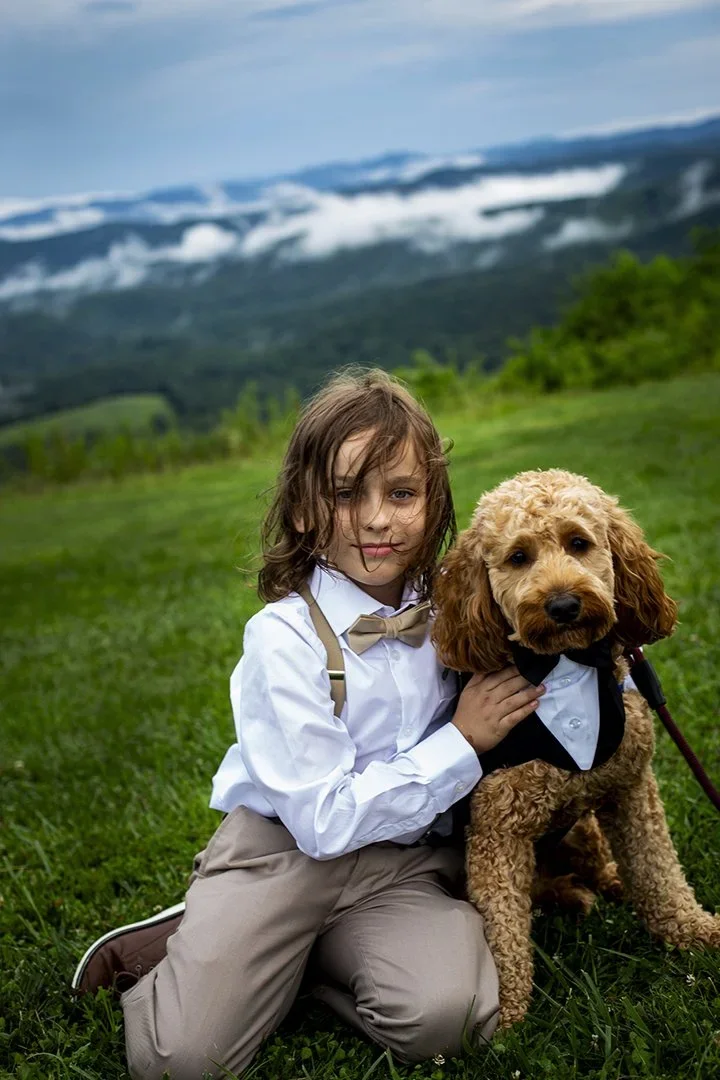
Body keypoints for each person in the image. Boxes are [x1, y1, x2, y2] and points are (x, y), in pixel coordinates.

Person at [72, 369, 546, 1080]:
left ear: (434, 502)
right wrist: (460, 743)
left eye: (403, 493)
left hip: (401, 862)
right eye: (346, 494)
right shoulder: (281, 639)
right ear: (300, 510)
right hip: (286, 854)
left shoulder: (457, 608)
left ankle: (303, 962)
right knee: (180, 1062)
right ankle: (199, 937)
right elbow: (321, 822)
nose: (378, 520)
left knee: (449, 1016)